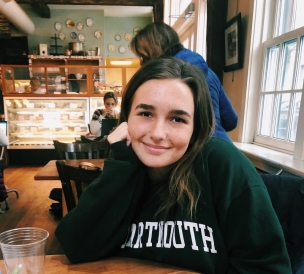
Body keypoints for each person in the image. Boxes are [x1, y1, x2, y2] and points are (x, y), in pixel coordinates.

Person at [55, 57, 291, 273]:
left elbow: (266, 268)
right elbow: (77, 247)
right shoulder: (124, 164)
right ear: (126, 119)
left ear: (195, 127)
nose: (158, 134)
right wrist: (121, 166)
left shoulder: (221, 163)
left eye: (177, 119)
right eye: (145, 114)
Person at [130, 22, 238, 143]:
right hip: (223, 146)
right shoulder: (211, 74)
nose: (142, 63)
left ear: (153, 52)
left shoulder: (164, 80)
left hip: (195, 152)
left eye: (144, 56)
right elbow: (231, 120)